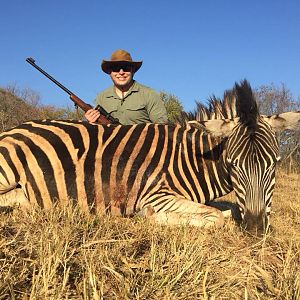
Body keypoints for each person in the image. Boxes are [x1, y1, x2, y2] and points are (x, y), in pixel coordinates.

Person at [85, 49, 168, 125]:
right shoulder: (102, 98)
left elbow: (162, 127)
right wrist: (91, 122)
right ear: (110, 72)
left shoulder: (149, 94)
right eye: (116, 68)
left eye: (126, 68)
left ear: (133, 71)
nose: (121, 72)